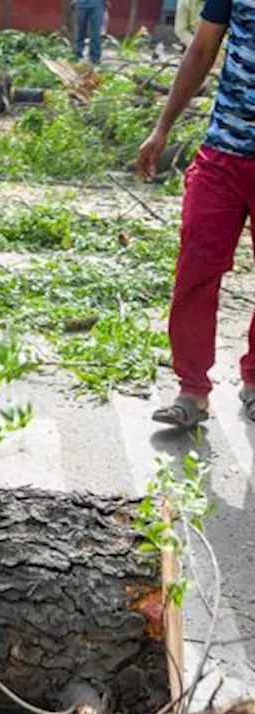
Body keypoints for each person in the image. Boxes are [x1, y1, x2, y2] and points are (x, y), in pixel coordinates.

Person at [139, 0, 255, 429]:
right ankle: (191, 390)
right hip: (222, 155)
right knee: (194, 273)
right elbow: (203, 49)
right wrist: (162, 127)